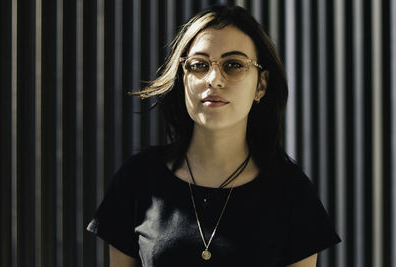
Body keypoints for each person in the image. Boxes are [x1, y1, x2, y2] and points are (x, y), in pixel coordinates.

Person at [87, 5, 341, 267]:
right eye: (198, 65)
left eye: (233, 65)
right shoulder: (138, 179)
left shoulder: (292, 192)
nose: (214, 79)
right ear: (183, 78)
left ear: (261, 85)